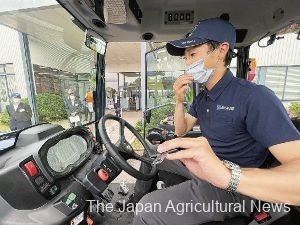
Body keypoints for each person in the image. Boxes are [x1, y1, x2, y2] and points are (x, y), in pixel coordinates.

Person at [133, 18, 300, 225]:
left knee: (148, 209)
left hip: (236, 189)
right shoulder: (204, 97)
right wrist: (179, 100)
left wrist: (227, 176)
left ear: (221, 51)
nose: (187, 63)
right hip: (205, 165)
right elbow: (181, 129)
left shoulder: (255, 97)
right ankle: (133, 203)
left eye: (193, 54)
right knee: (151, 153)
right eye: (185, 58)